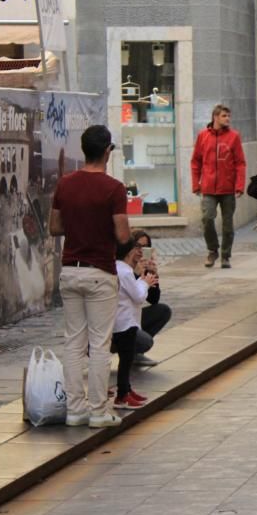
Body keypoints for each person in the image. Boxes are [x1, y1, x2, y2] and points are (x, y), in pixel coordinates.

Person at [49, 125, 130, 428]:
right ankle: (98, 411)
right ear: (108, 151)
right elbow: (122, 235)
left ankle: (75, 410)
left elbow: (54, 227)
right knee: (99, 344)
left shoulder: (65, 184)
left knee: (72, 342)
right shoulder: (113, 188)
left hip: (70, 270)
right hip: (99, 272)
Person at [190, 104, 246, 269]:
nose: (227, 119)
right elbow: (196, 161)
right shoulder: (203, 136)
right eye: (224, 116)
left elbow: (240, 163)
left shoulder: (234, 137)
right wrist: (196, 183)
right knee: (207, 218)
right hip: (208, 187)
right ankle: (212, 250)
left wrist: (239, 185)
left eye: (228, 116)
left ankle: (225, 255)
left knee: (228, 224)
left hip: (228, 188)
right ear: (215, 117)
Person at [111, 237, 155, 410]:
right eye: (135, 248)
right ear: (128, 251)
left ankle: (127, 390)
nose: (138, 252)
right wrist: (145, 282)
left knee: (126, 359)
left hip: (122, 321)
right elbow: (138, 296)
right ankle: (122, 395)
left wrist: (141, 281)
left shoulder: (120, 269)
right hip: (125, 323)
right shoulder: (125, 272)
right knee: (126, 360)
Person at [130, 230, 170, 367]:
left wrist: (153, 275)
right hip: (119, 321)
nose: (141, 251)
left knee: (163, 310)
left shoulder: (143, 267)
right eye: (137, 246)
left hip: (134, 318)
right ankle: (130, 351)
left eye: (145, 247)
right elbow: (130, 294)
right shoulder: (122, 267)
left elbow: (154, 300)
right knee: (145, 341)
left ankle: (135, 353)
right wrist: (135, 274)